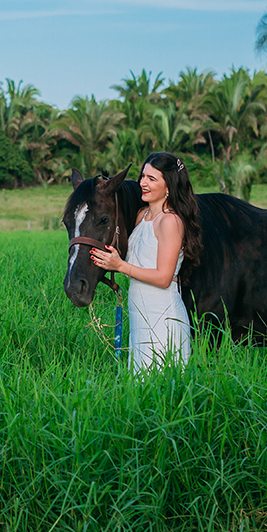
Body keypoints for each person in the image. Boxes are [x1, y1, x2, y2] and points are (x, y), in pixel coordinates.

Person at [90, 152, 202, 371]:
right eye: (142, 176)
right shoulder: (142, 216)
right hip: (140, 315)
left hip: (163, 316)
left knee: (162, 388)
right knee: (142, 387)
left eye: (152, 179)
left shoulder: (170, 221)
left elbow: (163, 278)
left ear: (168, 185)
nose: (143, 183)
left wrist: (120, 266)